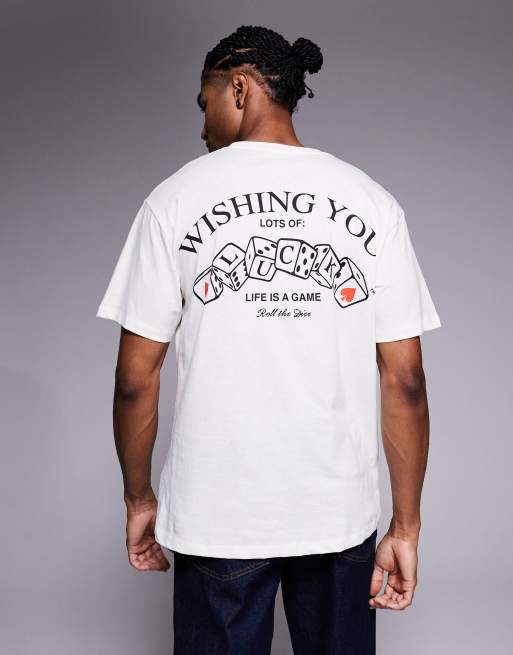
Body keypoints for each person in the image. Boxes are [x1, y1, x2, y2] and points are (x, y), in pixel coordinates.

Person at [96, 24, 442, 655]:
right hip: (338, 514)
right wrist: (406, 527)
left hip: (217, 513)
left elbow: (134, 381)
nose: (202, 127)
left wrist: (139, 498)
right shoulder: (371, 201)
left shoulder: (173, 200)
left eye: (204, 104)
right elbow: (407, 380)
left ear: (239, 87)